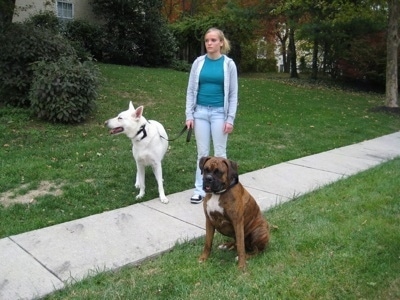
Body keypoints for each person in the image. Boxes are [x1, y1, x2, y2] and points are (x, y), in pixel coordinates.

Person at [185, 27, 238, 204]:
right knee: (203, 153)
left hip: (219, 114)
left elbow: (233, 94)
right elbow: (191, 90)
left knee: (220, 154)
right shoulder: (198, 63)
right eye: (207, 40)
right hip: (200, 112)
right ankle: (200, 189)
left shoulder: (228, 64)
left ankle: (221, 189)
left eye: (213, 40)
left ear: (221, 42)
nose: (209, 43)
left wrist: (230, 118)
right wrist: (189, 115)